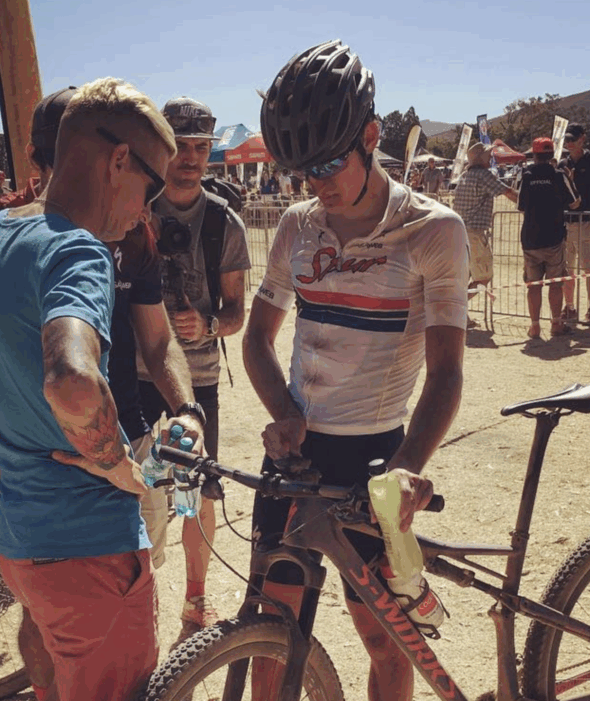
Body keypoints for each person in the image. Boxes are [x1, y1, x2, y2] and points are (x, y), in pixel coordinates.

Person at [0, 77, 177, 701]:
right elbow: (73, 380)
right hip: (91, 550)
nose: (148, 208)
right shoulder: (80, 251)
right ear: (118, 160)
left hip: (19, 544)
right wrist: (121, 467)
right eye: (151, 185)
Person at [250, 40, 468, 701]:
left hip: (375, 456)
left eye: (326, 163)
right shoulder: (297, 225)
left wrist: (405, 467)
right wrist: (283, 414)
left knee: (384, 639)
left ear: (371, 136)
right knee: (268, 633)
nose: (315, 183)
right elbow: (258, 340)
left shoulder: (434, 231)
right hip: (295, 458)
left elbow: (448, 374)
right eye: (299, 169)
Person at [138, 96, 252, 643]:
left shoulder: (224, 222)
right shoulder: (131, 210)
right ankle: (138, 600)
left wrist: (205, 326)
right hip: (132, 378)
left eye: (200, 147)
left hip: (198, 378)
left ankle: (195, 596)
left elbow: (237, 314)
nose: (189, 157)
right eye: (179, 146)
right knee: (135, 490)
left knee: (197, 491)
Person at [516, 137, 580, 339]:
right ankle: (556, 324)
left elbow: (520, 206)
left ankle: (534, 326)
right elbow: (575, 203)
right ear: (552, 154)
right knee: (555, 284)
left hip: (530, 238)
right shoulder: (559, 175)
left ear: (534, 155)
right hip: (554, 237)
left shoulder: (525, 175)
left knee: (533, 285)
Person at [452, 141, 518, 324]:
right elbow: (508, 192)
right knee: (484, 276)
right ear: (481, 158)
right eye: (488, 155)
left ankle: (459, 314)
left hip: (459, 232)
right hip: (474, 233)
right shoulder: (484, 175)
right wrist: (529, 204)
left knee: (466, 276)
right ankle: (456, 310)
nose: (491, 156)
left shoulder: (465, 176)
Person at [558, 123, 590, 326]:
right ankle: (569, 306)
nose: (569, 143)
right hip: (567, 223)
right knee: (567, 268)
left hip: (588, 222)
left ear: (582, 139)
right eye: (567, 140)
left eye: (573, 139)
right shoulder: (563, 164)